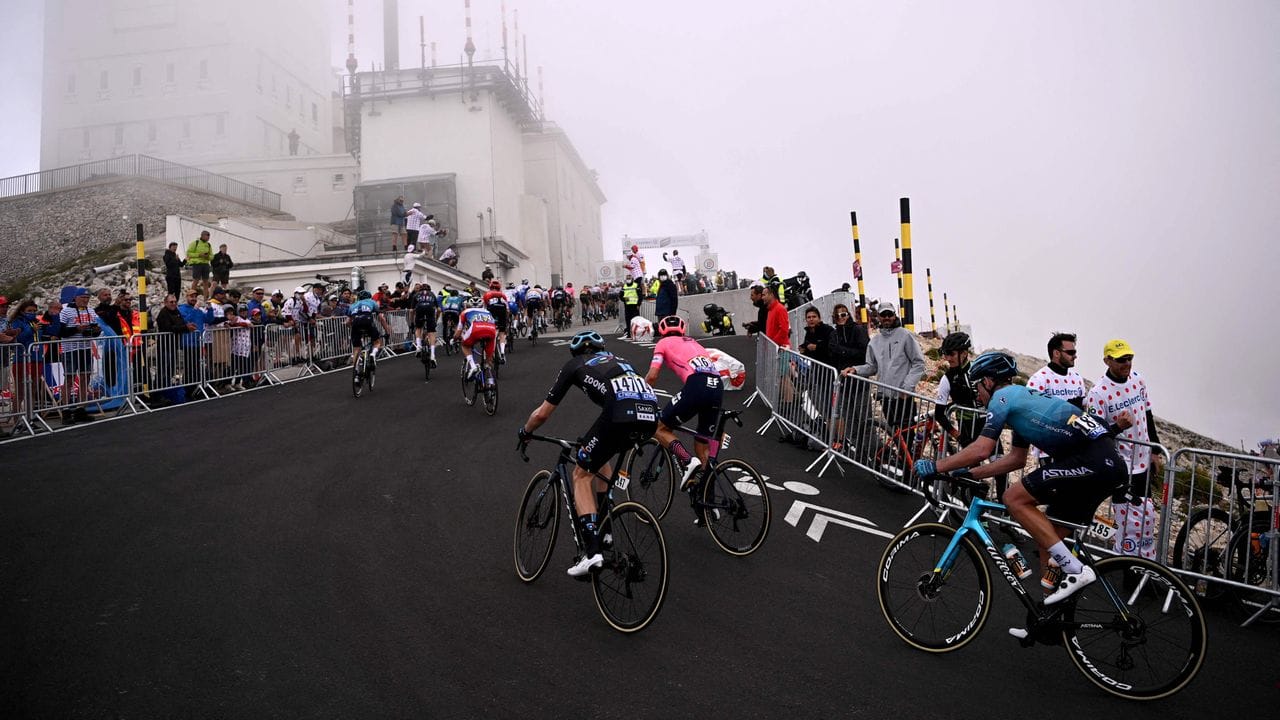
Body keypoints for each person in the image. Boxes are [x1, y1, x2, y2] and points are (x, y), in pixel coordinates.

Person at [915, 351, 1131, 614]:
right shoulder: (1023, 402)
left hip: (1093, 462)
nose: (978, 396)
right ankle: (1051, 615)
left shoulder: (1002, 397)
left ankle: (1075, 570)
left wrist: (936, 466)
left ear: (988, 381)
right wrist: (971, 475)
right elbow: (1016, 459)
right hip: (1105, 463)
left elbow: (983, 449)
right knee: (1047, 537)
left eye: (977, 387)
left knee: (1014, 498)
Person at [518, 331, 659, 576]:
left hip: (620, 412)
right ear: (601, 348)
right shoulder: (621, 361)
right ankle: (605, 532)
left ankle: (592, 554)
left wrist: (525, 431)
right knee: (599, 458)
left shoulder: (575, 365)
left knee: (581, 475)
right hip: (649, 415)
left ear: (576, 352)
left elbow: (542, 413)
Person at [1084, 339, 1162, 559]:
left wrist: (1155, 450)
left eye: (1130, 358)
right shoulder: (1098, 393)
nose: (1127, 363)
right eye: (1121, 360)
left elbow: (1147, 414)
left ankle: (1145, 563)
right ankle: (1126, 567)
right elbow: (1094, 435)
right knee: (1127, 520)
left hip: (1143, 461)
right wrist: (1117, 427)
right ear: (1107, 360)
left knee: (1146, 517)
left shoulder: (1138, 380)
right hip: (1121, 466)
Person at [646, 316, 724, 498]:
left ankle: (687, 460)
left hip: (698, 385)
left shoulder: (663, 343)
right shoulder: (695, 343)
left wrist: (641, 392)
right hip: (717, 386)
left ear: (662, 331)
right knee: (702, 443)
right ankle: (707, 501)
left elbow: (652, 375)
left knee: (660, 427)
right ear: (682, 329)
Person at [841, 302, 924, 431]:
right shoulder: (874, 341)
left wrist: (907, 387)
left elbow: (918, 363)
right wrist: (855, 369)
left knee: (908, 434)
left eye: (889, 314)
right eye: (883, 314)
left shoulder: (906, 335)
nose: (886, 317)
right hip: (885, 397)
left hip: (903, 397)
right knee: (895, 434)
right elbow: (872, 367)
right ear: (878, 316)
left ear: (894, 315)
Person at [828, 302, 870, 453]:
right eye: (837, 315)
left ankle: (871, 452)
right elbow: (832, 353)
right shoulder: (834, 334)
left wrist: (843, 351)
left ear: (848, 315)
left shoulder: (858, 330)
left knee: (865, 421)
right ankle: (858, 452)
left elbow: (864, 352)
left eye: (843, 314)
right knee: (850, 421)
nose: (841, 318)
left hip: (859, 383)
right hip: (844, 384)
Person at [58, 287, 102, 424]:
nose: (85, 300)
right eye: (83, 297)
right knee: (69, 379)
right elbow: (61, 331)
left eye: (87, 298)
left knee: (85, 377)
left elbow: (94, 330)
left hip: (85, 347)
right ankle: (65, 411)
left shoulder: (91, 311)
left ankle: (81, 409)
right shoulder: (65, 311)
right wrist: (76, 329)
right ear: (75, 298)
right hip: (69, 349)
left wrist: (95, 330)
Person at [1027, 332, 1086, 409]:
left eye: (1075, 352)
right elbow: (1029, 409)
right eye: (1071, 352)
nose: (1075, 356)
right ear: (1056, 353)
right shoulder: (1039, 379)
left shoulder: (1078, 379)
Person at [456, 297, 497, 381]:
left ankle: (473, 367)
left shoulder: (465, 312)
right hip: (491, 332)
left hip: (475, 330)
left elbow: (459, 330)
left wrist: (454, 338)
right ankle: (490, 382)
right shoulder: (488, 312)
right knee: (488, 360)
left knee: (465, 345)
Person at [347, 290, 384, 368]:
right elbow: (381, 318)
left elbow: (347, 322)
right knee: (377, 342)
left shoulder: (352, 305)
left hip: (356, 324)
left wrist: (352, 328)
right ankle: (373, 354)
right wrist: (387, 331)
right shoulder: (372, 302)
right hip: (367, 321)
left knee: (357, 348)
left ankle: (355, 371)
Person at [412, 283, 439, 366]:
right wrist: (435, 320)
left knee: (418, 328)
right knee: (431, 332)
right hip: (430, 310)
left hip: (420, 309)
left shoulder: (416, 294)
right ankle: (433, 356)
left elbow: (412, 310)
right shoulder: (432, 294)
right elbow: (438, 309)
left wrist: (412, 322)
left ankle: (419, 346)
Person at [482, 280, 510, 361]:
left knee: (490, 331)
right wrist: (506, 320)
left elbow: (483, 309)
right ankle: (502, 352)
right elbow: (507, 310)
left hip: (492, 310)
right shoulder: (503, 295)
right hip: (502, 310)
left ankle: (490, 349)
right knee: (502, 332)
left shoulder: (487, 294)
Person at [187, 231, 214, 296]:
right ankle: (191, 296)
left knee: (206, 282)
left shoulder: (208, 245)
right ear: (202, 235)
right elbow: (188, 253)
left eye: (209, 236)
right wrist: (199, 255)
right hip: (197, 264)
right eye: (207, 236)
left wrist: (207, 256)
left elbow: (212, 256)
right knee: (196, 280)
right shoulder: (195, 243)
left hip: (205, 264)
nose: (208, 238)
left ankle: (205, 299)